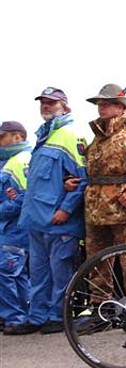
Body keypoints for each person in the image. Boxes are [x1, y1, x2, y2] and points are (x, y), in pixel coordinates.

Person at [77, 84, 126, 320]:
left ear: (121, 108)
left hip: (124, 210)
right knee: (97, 261)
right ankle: (101, 310)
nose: (101, 107)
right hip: (96, 209)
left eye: (107, 103)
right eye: (99, 104)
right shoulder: (98, 138)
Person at [14, 87, 88, 335]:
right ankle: (38, 317)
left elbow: (81, 179)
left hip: (58, 220)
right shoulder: (44, 137)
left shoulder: (71, 135)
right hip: (37, 219)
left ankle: (58, 316)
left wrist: (66, 210)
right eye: (44, 103)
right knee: (38, 274)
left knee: (60, 274)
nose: (46, 106)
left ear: (64, 107)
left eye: (52, 103)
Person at [0, 121, 32, 335]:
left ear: (17, 136)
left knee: (7, 272)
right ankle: (20, 315)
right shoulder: (11, 160)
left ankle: (16, 317)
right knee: (16, 274)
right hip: (13, 228)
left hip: (15, 229)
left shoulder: (19, 161)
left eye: (2, 136)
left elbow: (22, 200)